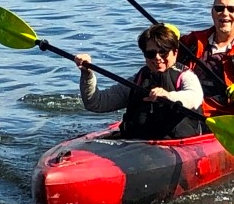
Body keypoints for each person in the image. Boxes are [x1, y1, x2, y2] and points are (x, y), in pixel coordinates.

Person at [72, 24, 204, 140]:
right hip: (138, 144)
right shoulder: (138, 80)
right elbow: (96, 103)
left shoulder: (186, 76)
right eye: (151, 53)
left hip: (177, 145)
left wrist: (168, 96)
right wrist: (87, 73)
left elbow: (194, 98)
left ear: (175, 52)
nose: (157, 58)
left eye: (163, 52)